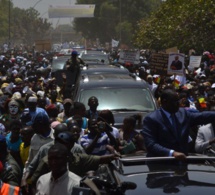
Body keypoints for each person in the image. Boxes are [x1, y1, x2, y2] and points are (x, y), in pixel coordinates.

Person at [141, 88, 215, 161]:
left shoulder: (182, 114)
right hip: (160, 165)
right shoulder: (151, 119)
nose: (178, 104)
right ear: (164, 102)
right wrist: (172, 153)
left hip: (182, 165)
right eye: (175, 102)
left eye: (178, 101)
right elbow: (151, 145)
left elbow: (201, 117)